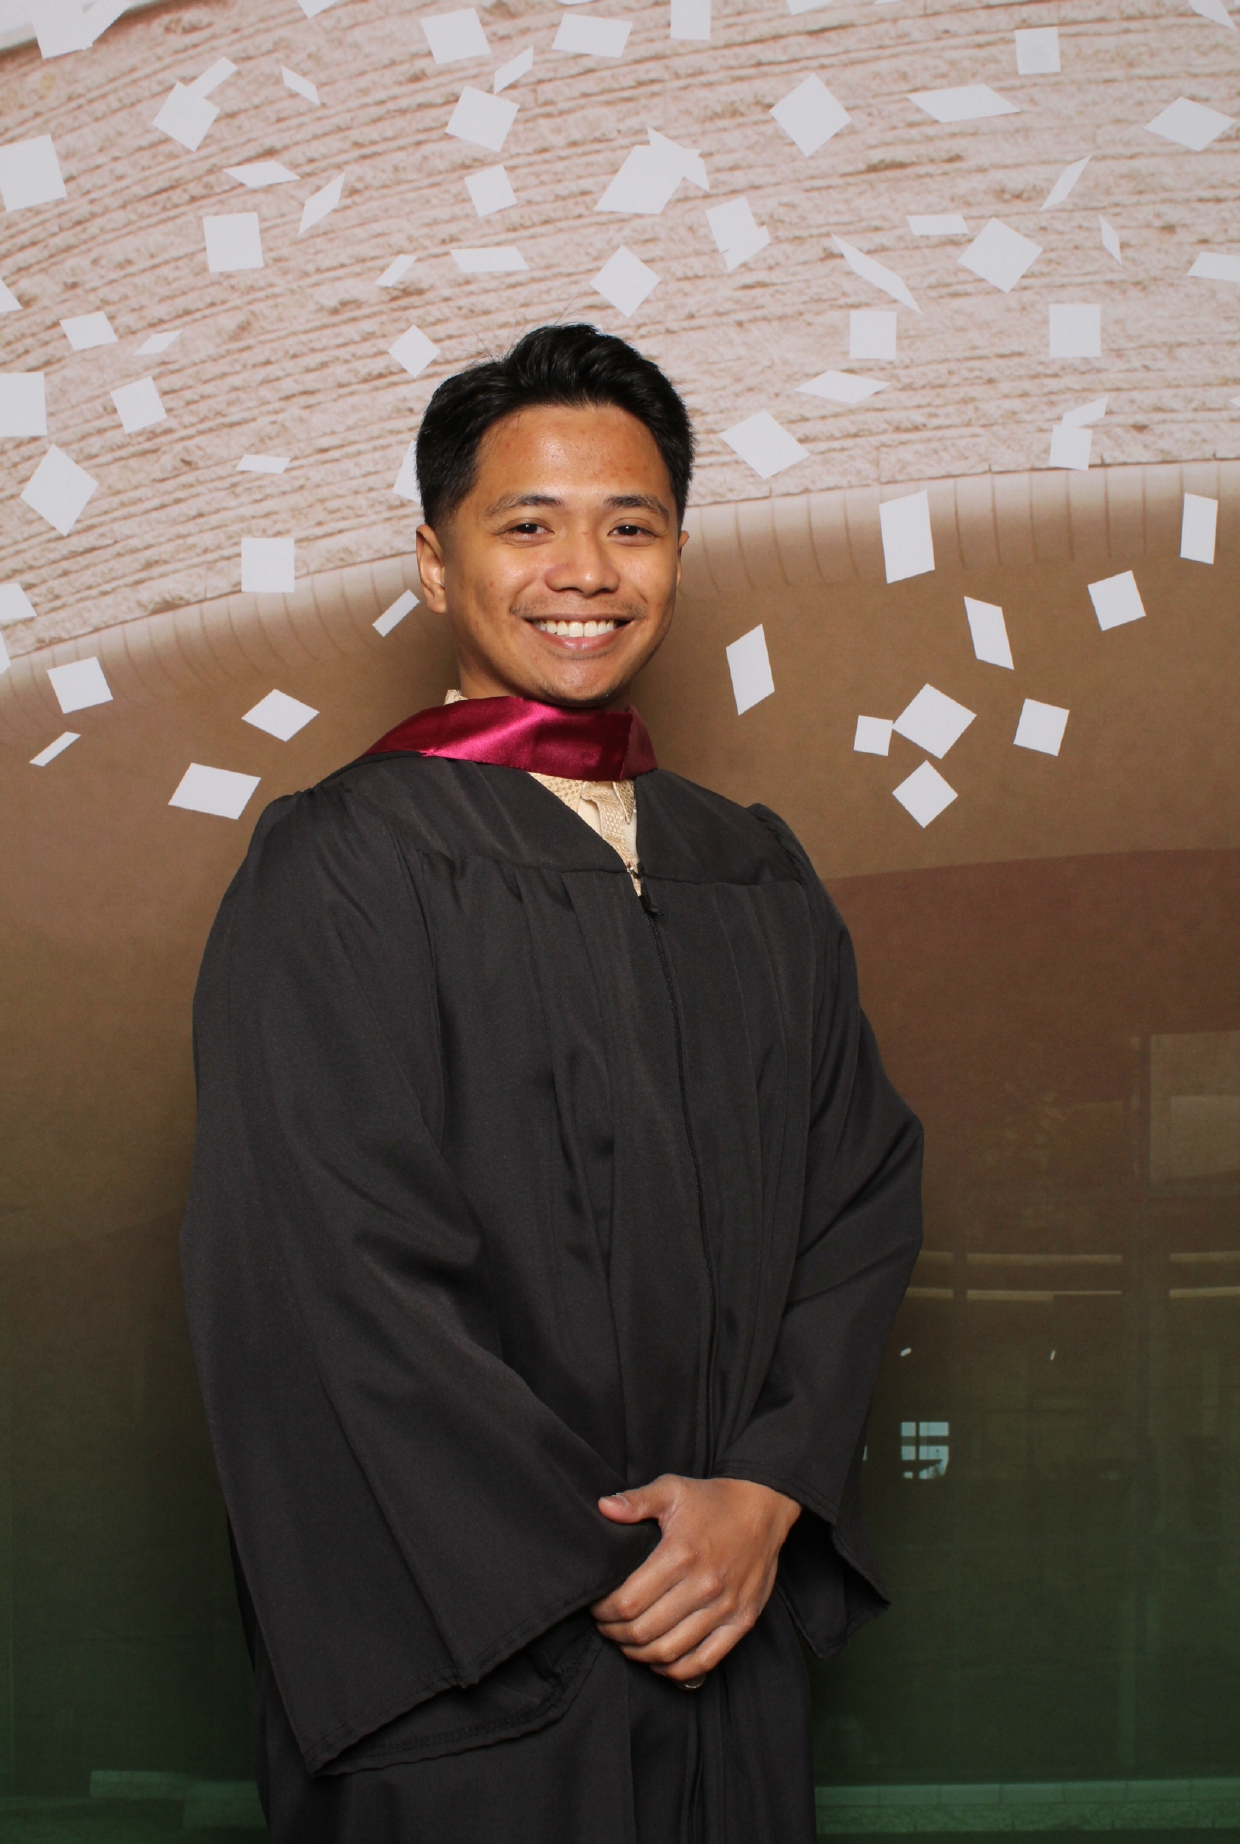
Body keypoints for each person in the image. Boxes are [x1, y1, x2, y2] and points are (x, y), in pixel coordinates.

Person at [181, 323, 922, 1844]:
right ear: (433, 562)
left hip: (727, 1622)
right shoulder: (347, 863)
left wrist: (764, 1494)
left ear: (677, 554)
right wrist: (608, 1562)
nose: (584, 569)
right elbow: (327, 1272)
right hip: (473, 1663)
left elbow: (860, 1192)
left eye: (630, 526)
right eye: (527, 525)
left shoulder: (748, 868)